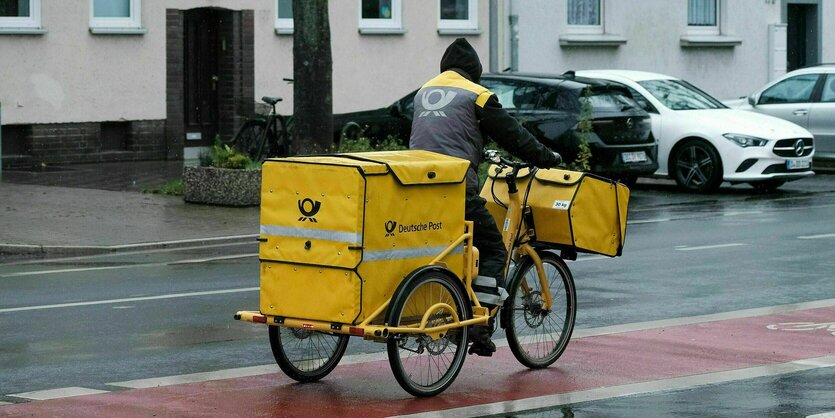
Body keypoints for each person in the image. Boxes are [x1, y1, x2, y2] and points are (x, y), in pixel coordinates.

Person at [409, 38, 561, 356]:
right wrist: (547, 156)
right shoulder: (476, 94)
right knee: (493, 248)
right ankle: (479, 326)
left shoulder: (424, 91)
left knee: (446, 248)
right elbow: (513, 134)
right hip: (454, 188)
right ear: (474, 72)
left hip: (415, 188)